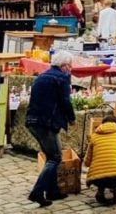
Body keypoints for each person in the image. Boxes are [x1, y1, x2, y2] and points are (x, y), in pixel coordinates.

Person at [26, 51, 76, 207]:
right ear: (64, 65)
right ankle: (37, 192)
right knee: (55, 158)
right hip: (47, 123)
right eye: (70, 65)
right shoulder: (62, 78)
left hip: (32, 121)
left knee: (51, 156)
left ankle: (53, 191)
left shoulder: (42, 76)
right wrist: (71, 118)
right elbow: (65, 101)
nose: (71, 68)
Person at [84, 114, 116, 205]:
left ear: (102, 124)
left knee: (101, 175)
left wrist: (87, 164)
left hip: (99, 178)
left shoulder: (94, 136)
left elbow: (87, 161)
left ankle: (100, 191)